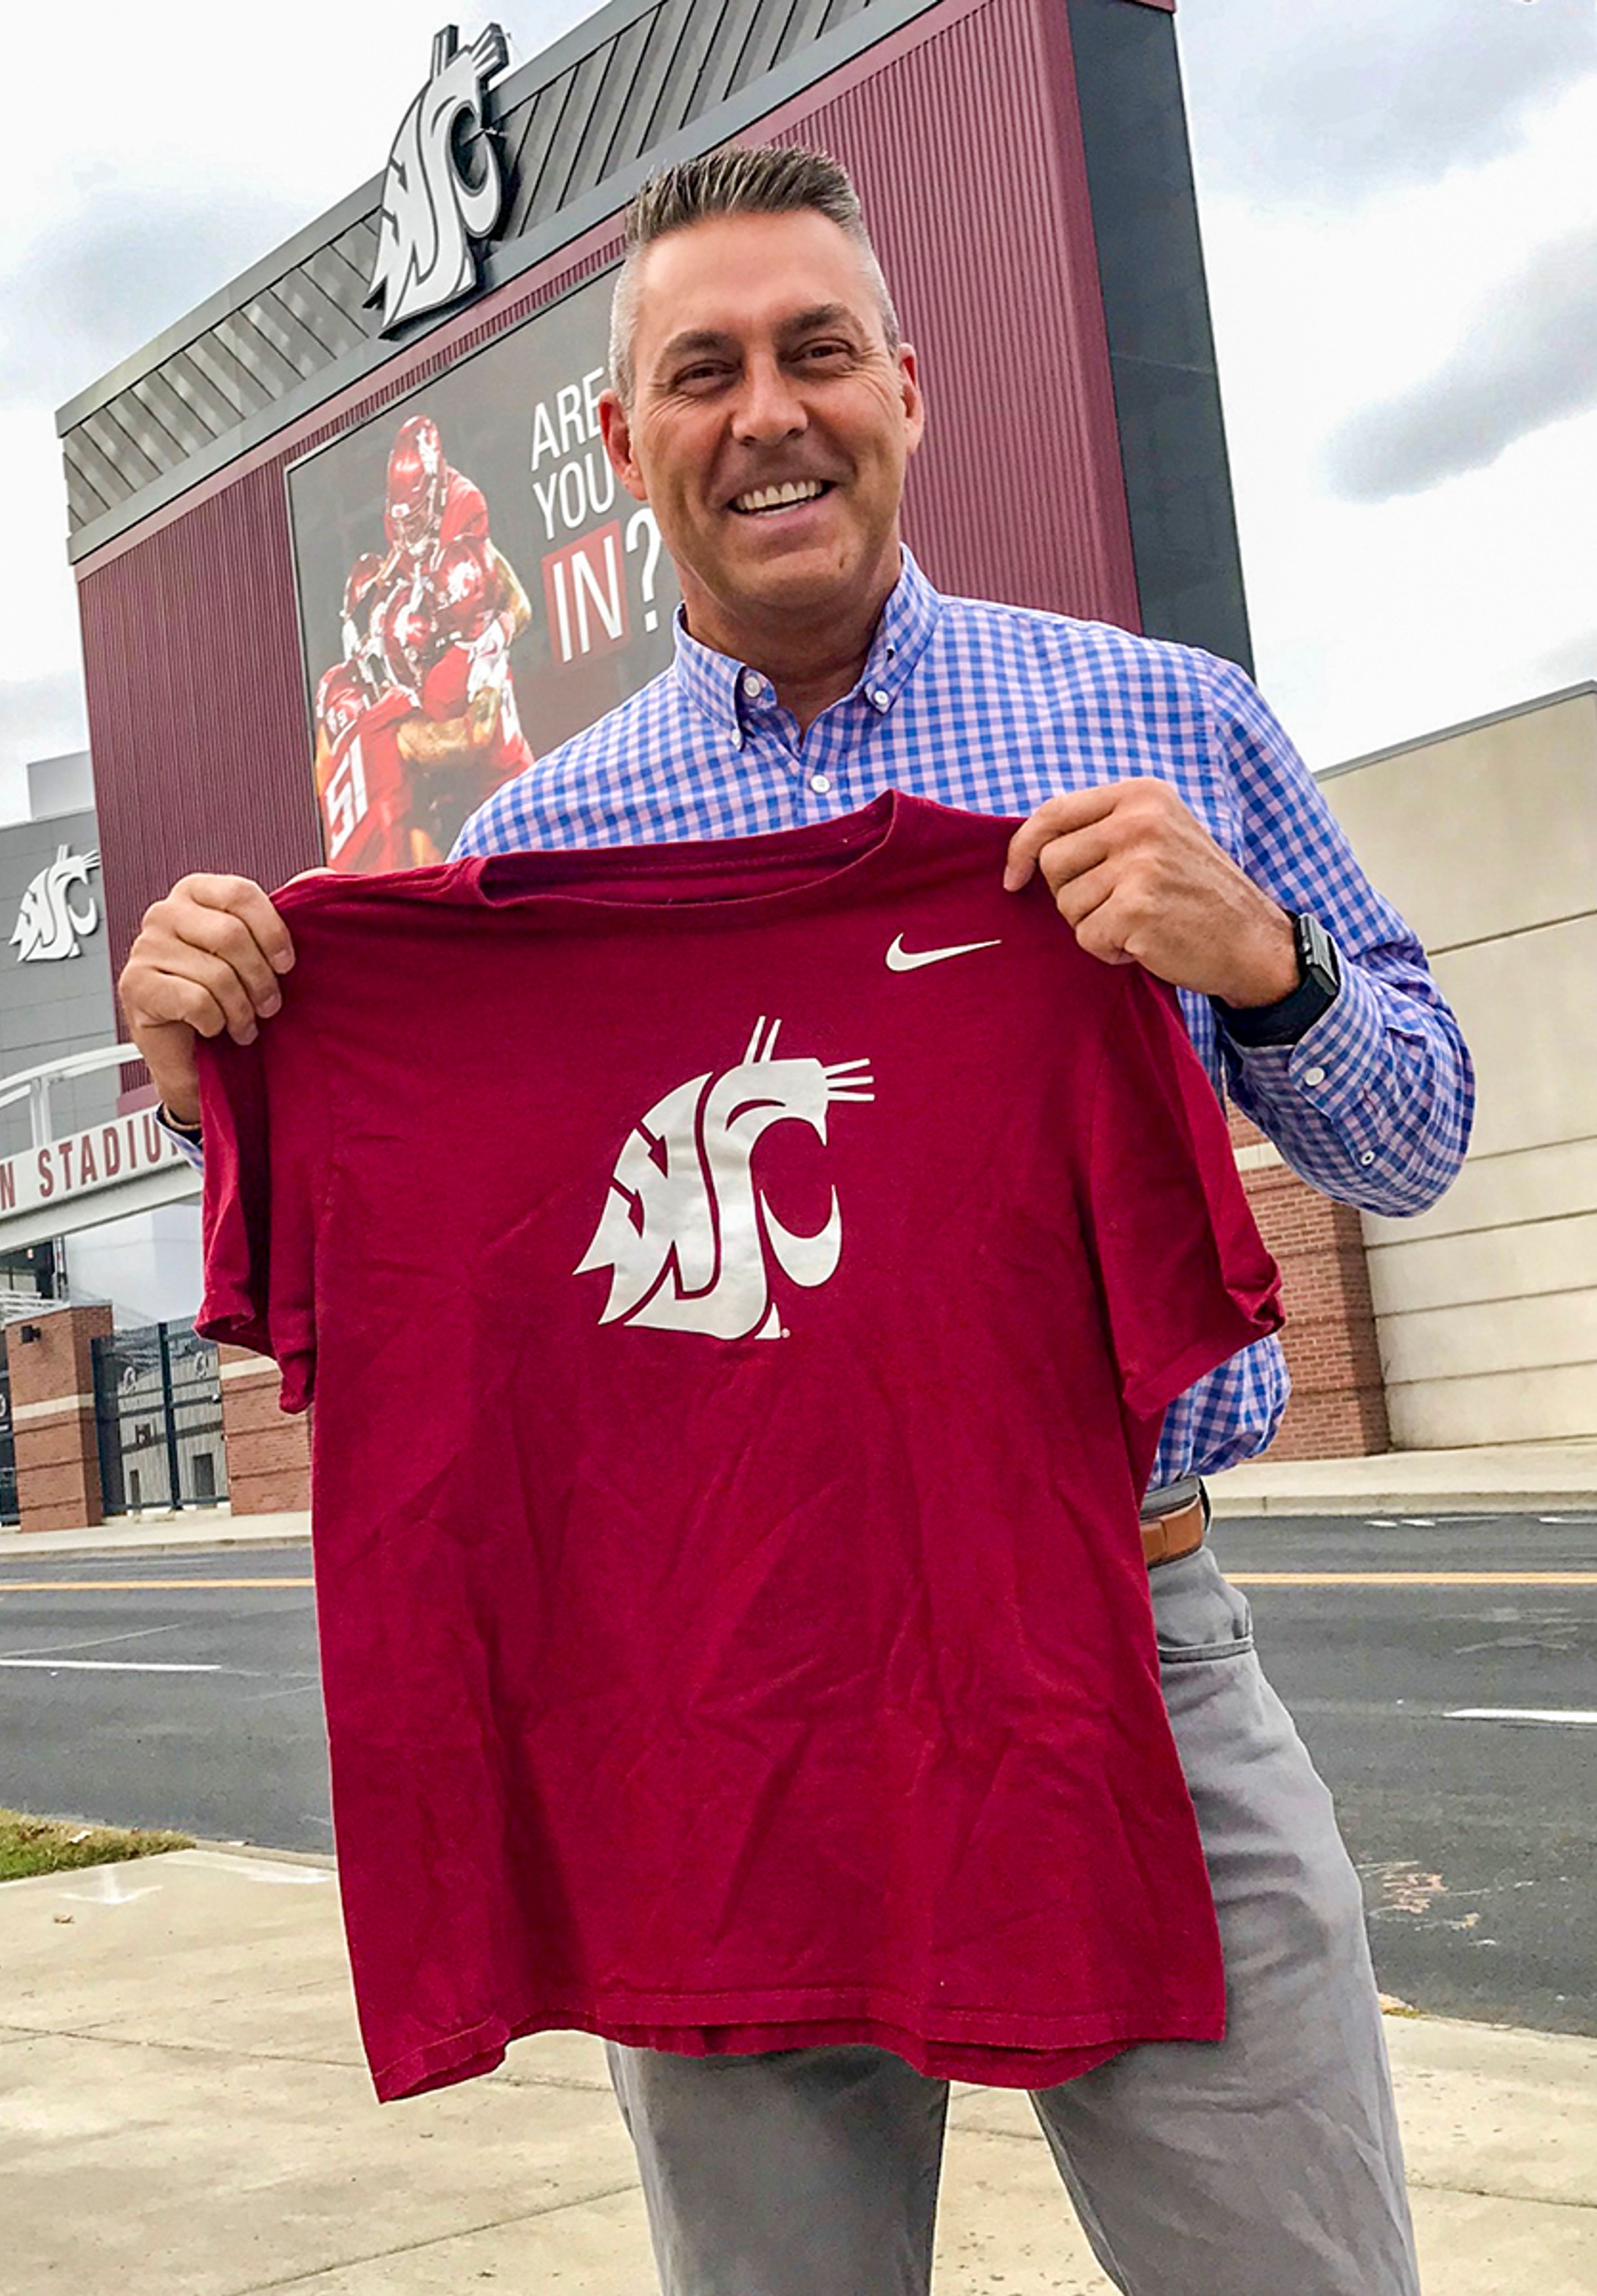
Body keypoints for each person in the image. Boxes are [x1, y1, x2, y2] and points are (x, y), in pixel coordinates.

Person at [117, 147, 1472, 2296]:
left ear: (908, 388)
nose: (770, 410)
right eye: (708, 367)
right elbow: (400, 1296)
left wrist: (1271, 963)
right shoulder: (536, 853)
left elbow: (1420, 1136)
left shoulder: (1160, 724)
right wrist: (239, 1076)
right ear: (624, 437)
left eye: (817, 352)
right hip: (720, 1688)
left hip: (1124, 1642)